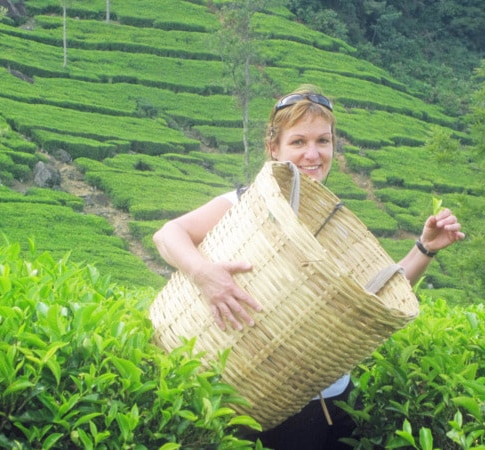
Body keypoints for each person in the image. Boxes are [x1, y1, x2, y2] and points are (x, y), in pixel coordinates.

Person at [153, 85, 465, 449]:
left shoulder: (334, 223)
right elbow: (167, 234)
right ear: (274, 148)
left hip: (335, 400)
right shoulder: (245, 204)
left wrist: (425, 248)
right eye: (298, 142)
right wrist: (204, 274)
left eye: (323, 141)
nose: (312, 154)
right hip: (265, 402)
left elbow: (375, 297)